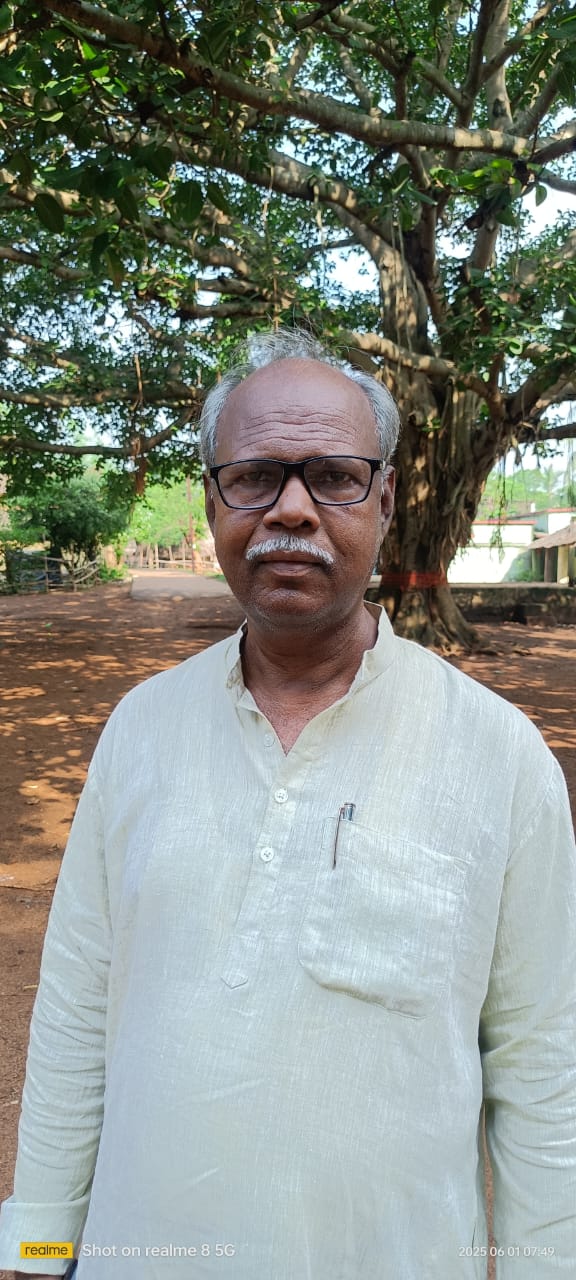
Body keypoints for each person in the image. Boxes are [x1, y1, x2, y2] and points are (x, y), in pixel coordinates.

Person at [1, 329, 575, 1280]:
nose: (293, 509)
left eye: (335, 477)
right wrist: (36, 1249)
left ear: (386, 501)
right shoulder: (140, 730)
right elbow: (73, 1018)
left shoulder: (501, 757)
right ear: (214, 501)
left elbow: (544, 1068)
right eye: (256, 476)